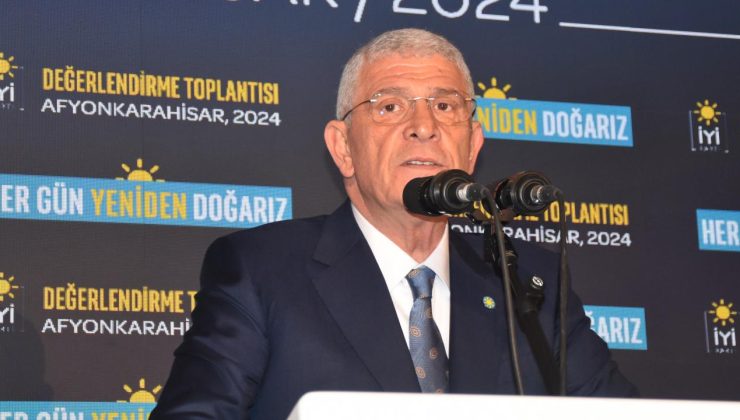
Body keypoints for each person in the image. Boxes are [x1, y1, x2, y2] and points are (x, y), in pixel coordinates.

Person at [151, 28, 637, 419]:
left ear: (472, 146)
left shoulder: (530, 282)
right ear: (343, 147)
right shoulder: (262, 270)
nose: (424, 126)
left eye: (444, 106)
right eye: (389, 106)